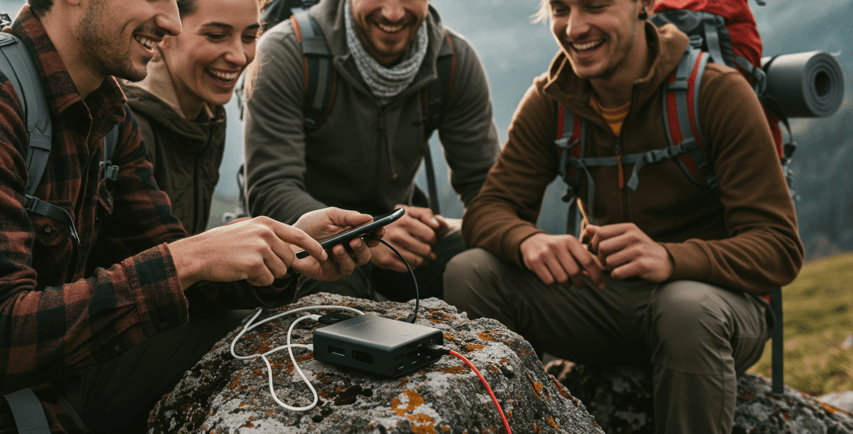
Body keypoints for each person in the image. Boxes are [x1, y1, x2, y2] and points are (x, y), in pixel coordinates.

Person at [0, 0, 378, 431]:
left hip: (44, 386)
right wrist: (185, 257)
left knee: (234, 331)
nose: (169, 21)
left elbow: (184, 277)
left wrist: (283, 250)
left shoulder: (107, 116)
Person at [443, 0, 803, 433]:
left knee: (684, 308)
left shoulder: (715, 91)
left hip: (715, 309)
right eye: (560, 8)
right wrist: (527, 241)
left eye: (595, 6)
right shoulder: (554, 98)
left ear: (644, 5)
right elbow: (488, 209)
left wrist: (671, 259)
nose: (574, 28)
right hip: (607, 298)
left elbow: (778, 248)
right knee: (472, 271)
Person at [242, 0, 500, 301]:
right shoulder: (286, 51)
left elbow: (485, 185)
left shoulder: (452, 59)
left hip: (399, 233)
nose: (393, 13)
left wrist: (516, 239)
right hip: (321, 243)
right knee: (331, 309)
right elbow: (271, 188)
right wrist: (368, 232)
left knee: (491, 266)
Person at [120, 0, 260, 234]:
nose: (239, 56)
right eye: (216, 35)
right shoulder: (131, 126)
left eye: (249, 37)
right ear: (166, 33)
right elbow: (159, 259)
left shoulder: (207, 116)